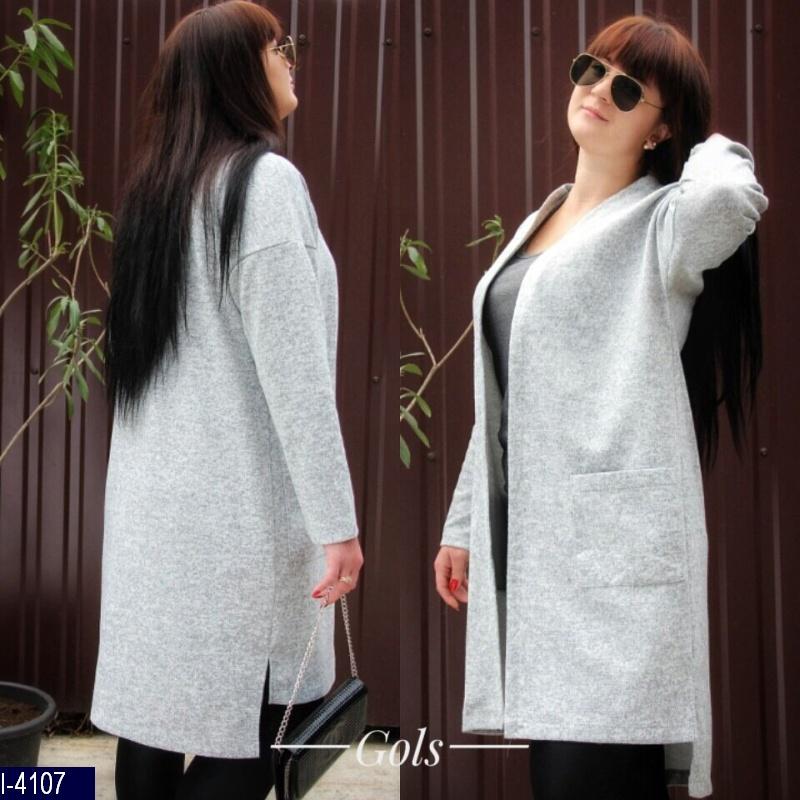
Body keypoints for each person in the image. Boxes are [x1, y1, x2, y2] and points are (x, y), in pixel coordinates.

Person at [433, 14, 768, 800]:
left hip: (615, 564)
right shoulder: (542, 220)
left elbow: (733, 194)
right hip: (545, 558)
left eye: (629, 90)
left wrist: (701, 140)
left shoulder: (664, 226)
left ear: (661, 127)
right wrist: (463, 524)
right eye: (593, 69)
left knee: (584, 776)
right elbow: (509, 394)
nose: (598, 91)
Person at [89, 3, 364, 798]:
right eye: (278, 47)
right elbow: (296, 381)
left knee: (154, 720)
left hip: (153, 518)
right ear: (237, 70)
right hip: (238, 520)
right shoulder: (263, 183)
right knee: (259, 729)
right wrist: (337, 525)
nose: (291, 58)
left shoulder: (159, 195)